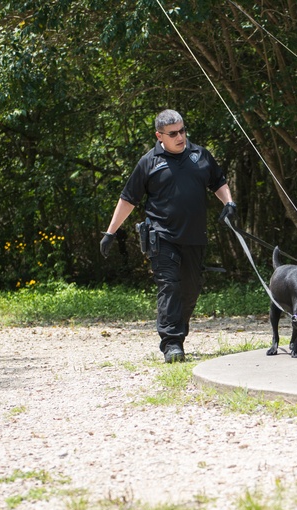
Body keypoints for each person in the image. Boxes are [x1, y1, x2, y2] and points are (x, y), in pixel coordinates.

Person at [101, 109, 236, 363]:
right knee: (170, 285)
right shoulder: (149, 162)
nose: (180, 136)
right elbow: (128, 198)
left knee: (191, 289)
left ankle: (177, 333)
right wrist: (111, 232)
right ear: (159, 136)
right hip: (162, 237)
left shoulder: (200, 155)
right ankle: (171, 343)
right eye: (173, 133)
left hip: (195, 236)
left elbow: (218, 182)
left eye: (182, 130)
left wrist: (228, 203)